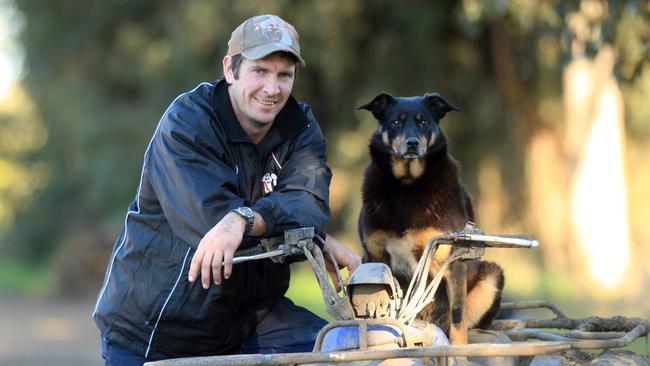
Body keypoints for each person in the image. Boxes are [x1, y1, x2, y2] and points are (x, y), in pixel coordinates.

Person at [93, 14, 360, 365]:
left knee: (350, 352)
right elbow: (213, 225)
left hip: (248, 320)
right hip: (158, 329)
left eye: (284, 75)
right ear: (230, 70)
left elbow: (309, 204)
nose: (272, 89)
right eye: (260, 71)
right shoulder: (188, 122)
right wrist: (275, 227)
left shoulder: (300, 126)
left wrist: (300, 233)